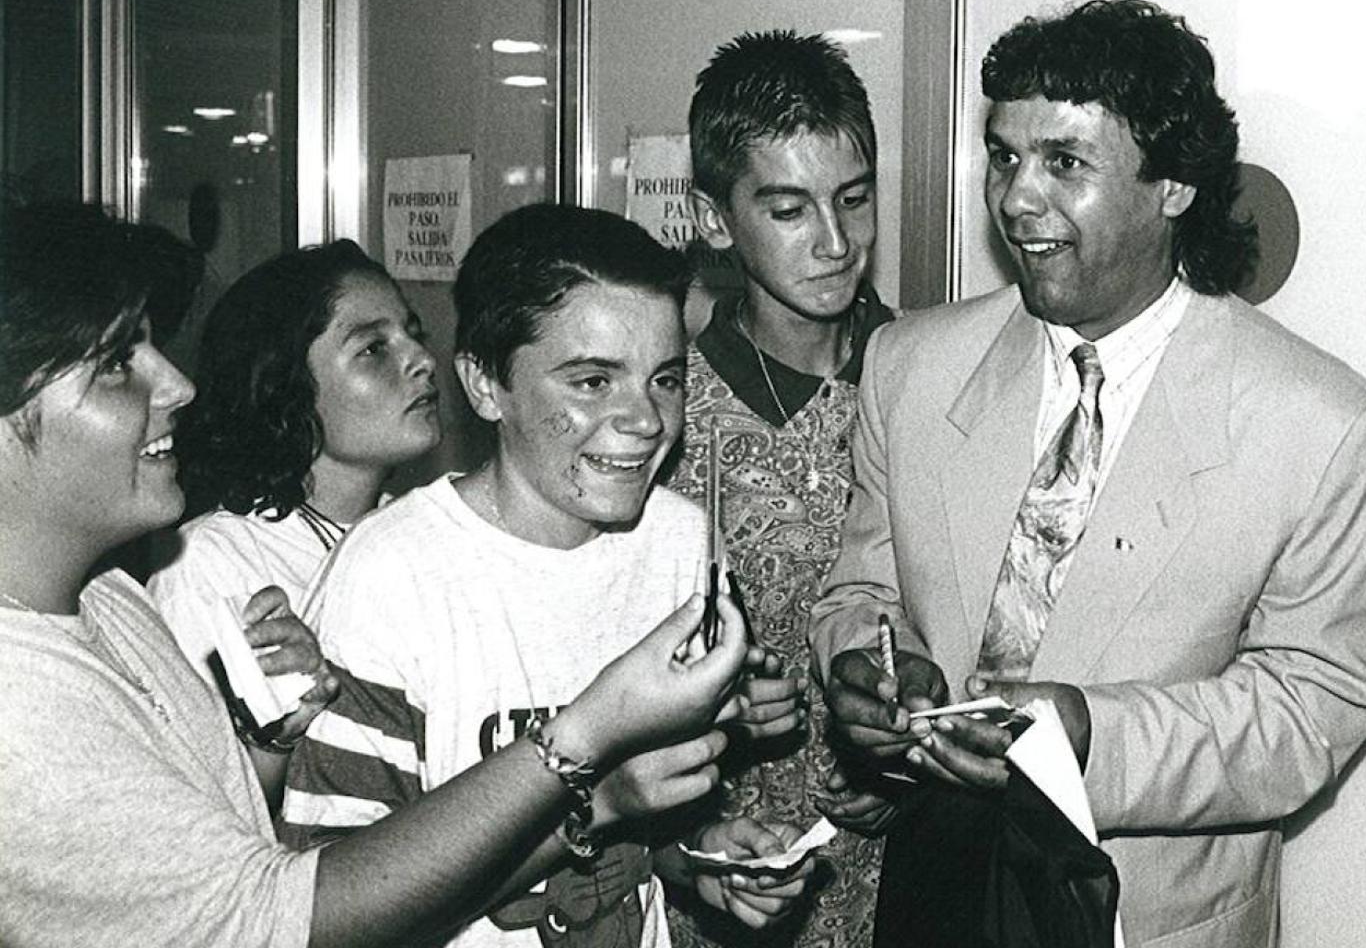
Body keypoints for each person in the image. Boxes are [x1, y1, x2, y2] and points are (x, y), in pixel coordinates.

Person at [812, 0, 1366, 946]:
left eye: (1066, 163)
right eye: (1004, 156)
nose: (1016, 198)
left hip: (1148, 911)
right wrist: (868, 666)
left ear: (1172, 185)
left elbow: (1313, 709)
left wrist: (1088, 732)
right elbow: (863, 585)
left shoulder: (1325, 426)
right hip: (933, 883)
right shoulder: (910, 367)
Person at [0, 197, 749, 948]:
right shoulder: (23, 704)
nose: (178, 386)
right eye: (116, 364)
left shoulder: (108, 601)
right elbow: (284, 913)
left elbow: (216, 854)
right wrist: (584, 758)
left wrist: (266, 744)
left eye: (665, 379)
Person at [283, 203, 813, 948]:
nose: (646, 420)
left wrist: (699, 860)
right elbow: (332, 918)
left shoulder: (681, 542)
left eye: (665, 379)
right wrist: (597, 804)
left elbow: (642, 831)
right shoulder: (388, 577)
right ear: (483, 384)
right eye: (593, 382)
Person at [663, 30, 895, 948]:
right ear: (717, 218)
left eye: (854, 199)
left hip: (897, 882)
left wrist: (898, 763)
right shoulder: (663, 412)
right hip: (711, 879)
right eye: (790, 209)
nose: (836, 243)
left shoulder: (928, 385)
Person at [148, 242, 439, 749]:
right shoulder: (211, 563)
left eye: (413, 335)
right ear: (286, 387)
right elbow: (200, 790)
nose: (421, 360)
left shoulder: (425, 533)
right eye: (374, 349)